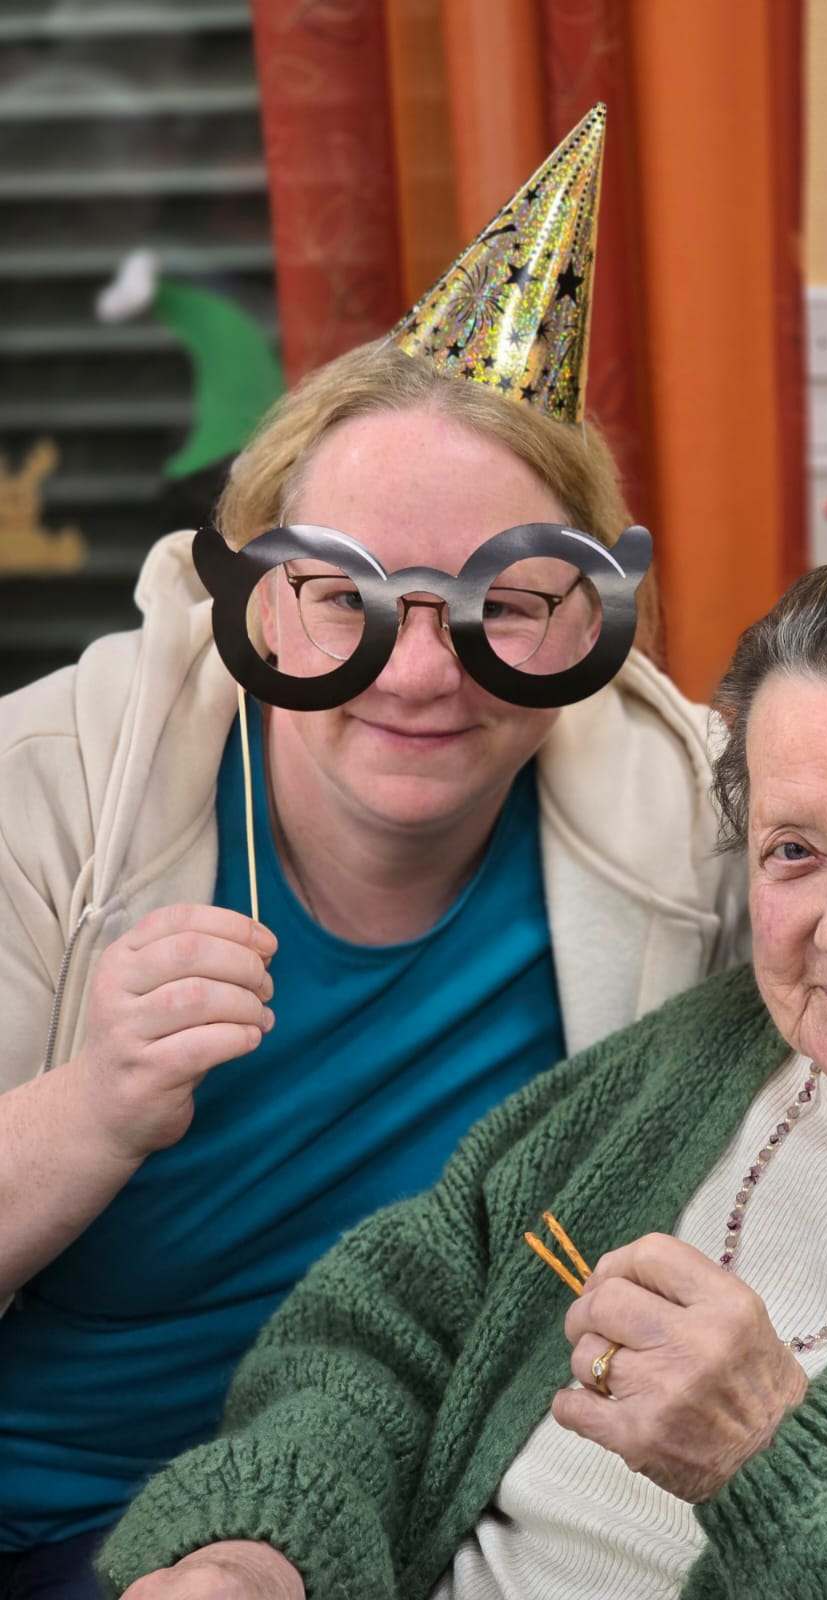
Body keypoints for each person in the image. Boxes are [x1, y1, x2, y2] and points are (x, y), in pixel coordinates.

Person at [96, 540, 827, 1600]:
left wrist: (774, 1455)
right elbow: (387, 1333)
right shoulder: (704, 1053)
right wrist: (259, 1548)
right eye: (795, 852)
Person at [0, 107, 745, 1596]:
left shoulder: (701, 824)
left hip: (424, 1527)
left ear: (590, 622)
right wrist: (93, 1105)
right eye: (346, 600)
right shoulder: (50, 787)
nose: (419, 677)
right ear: (257, 598)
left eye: (507, 605)